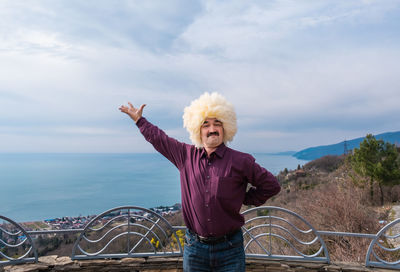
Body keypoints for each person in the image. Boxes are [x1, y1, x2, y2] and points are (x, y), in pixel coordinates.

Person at [119, 92, 281, 272]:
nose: (212, 129)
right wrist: (140, 121)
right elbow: (159, 139)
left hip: (230, 249)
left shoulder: (241, 161)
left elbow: (271, 185)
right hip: (195, 248)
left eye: (217, 123)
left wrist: (244, 198)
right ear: (198, 129)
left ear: (226, 127)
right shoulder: (185, 155)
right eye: (206, 124)